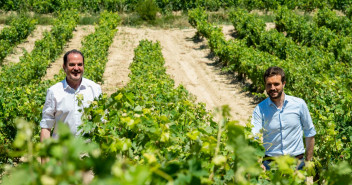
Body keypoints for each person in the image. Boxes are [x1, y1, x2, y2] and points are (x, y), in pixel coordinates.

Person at [251, 66, 316, 171]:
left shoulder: (299, 104)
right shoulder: (260, 109)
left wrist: (308, 161)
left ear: (283, 84)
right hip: (270, 165)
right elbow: (254, 137)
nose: (272, 88)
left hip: (296, 164)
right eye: (269, 85)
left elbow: (310, 132)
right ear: (265, 86)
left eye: (276, 84)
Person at [40, 49, 102, 142]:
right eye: (72, 64)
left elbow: (103, 120)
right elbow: (46, 126)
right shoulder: (54, 92)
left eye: (80, 64)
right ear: (64, 67)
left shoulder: (94, 89)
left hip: (88, 153)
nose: (76, 68)